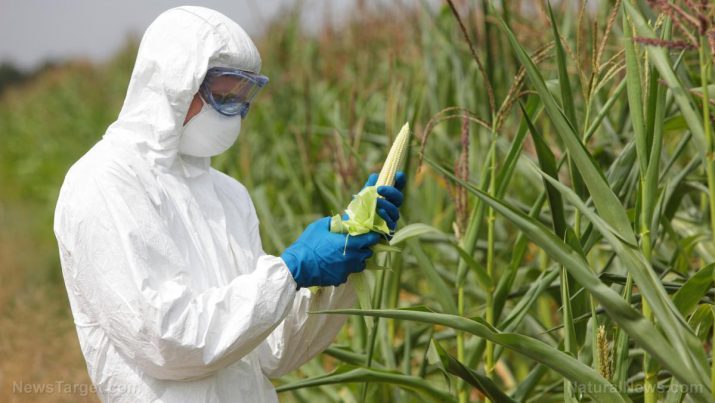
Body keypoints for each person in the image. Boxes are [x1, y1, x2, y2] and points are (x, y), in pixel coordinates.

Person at [53, 6, 405, 402]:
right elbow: (166, 341)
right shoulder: (104, 181)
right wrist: (290, 271)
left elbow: (269, 351)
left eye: (242, 97)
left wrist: (344, 259)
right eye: (222, 96)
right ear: (173, 84)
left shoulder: (228, 193)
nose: (234, 112)